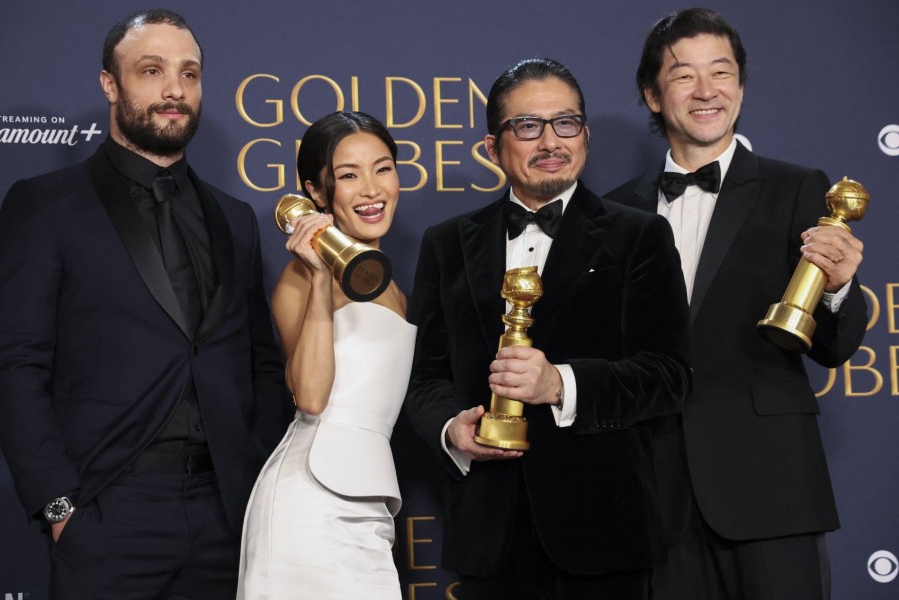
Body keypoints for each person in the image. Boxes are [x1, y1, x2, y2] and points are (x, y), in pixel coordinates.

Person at [0, 9, 287, 599]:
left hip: (226, 515)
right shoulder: (46, 206)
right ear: (110, 84)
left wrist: (250, 481)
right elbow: (12, 366)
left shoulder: (235, 216)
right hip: (107, 512)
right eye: (152, 70)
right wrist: (59, 505)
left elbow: (259, 363)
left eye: (189, 74)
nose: (174, 89)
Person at [403, 57, 692, 599]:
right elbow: (423, 377)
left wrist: (560, 384)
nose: (550, 141)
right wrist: (451, 431)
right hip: (488, 531)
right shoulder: (446, 243)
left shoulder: (640, 236)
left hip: (603, 530)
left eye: (566, 123)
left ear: (584, 137)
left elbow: (669, 375)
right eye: (528, 126)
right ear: (493, 147)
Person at [605, 8, 868, 600]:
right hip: (655, 498)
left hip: (770, 489)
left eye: (721, 73)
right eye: (683, 76)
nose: (706, 92)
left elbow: (836, 345)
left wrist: (839, 288)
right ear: (652, 94)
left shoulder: (799, 187)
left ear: (741, 87)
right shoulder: (614, 213)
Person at [236, 111, 413, 599]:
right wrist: (318, 277)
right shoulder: (299, 280)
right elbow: (310, 397)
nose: (372, 190)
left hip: (370, 507)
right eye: (349, 175)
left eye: (383, 168)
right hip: (308, 509)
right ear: (317, 192)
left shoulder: (392, 285)